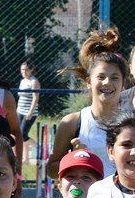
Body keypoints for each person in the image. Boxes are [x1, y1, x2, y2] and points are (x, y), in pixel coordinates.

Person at [46, 29, 127, 179]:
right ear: (89, 82)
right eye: (101, 77)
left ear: (123, 84)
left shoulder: (134, 124)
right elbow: (51, 170)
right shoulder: (72, 123)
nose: (107, 82)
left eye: (115, 78)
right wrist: (75, 159)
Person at [16, 62, 42, 166]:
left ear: (31, 70)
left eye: (26, 70)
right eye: (22, 70)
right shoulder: (23, 81)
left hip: (29, 112)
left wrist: (30, 112)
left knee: (23, 135)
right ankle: (25, 158)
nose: (24, 72)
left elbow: (35, 98)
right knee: (21, 136)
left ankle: (40, 149)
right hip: (20, 111)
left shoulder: (34, 81)